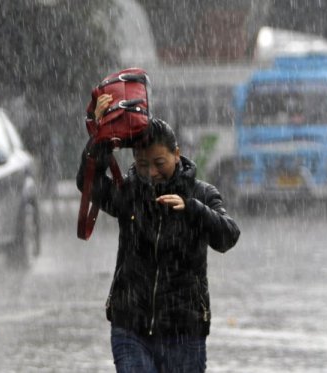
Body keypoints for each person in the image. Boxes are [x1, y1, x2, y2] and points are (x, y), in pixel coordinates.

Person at [76, 94, 240, 373]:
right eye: (142, 165)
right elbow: (87, 182)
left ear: (177, 154)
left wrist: (192, 209)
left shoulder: (202, 193)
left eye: (159, 163)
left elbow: (227, 237)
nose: (151, 172)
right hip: (130, 329)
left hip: (185, 333)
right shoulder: (129, 193)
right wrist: (101, 136)